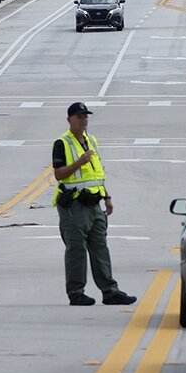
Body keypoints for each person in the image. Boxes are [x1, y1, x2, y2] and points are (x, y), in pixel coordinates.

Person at [53, 102, 136, 307]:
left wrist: (107, 196)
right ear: (69, 120)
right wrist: (78, 163)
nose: (83, 119)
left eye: (85, 116)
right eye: (79, 116)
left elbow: (98, 174)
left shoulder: (91, 141)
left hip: (95, 203)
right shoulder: (62, 143)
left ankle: (110, 291)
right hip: (74, 205)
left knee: (100, 247)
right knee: (76, 250)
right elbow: (59, 174)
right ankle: (76, 292)